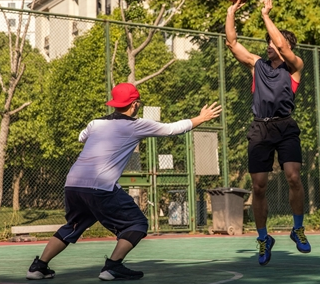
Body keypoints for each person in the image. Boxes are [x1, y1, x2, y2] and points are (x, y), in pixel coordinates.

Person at [26, 82, 222, 281]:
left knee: (74, 225)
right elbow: (173, 129)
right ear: (135, 104)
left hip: (73, 184)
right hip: (99, 186)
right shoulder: (135, 125)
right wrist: (202, 118)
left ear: (114, 104)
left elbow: (81, 137)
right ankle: (113, 267)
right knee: (137, 224)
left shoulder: (96, 123)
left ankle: (39, 267)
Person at [225, 0, 311, 266]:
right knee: (258, 186)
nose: (270, 46)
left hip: (285, 126)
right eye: (270, 43)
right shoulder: (257, 65)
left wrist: (265, 14)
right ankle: (263, 238)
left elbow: (284, 46)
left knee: (293, 177)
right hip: (260, 129)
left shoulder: (295, 66)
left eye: (274, 43)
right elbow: (232, 42)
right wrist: (230, 12)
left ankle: (297, 229)